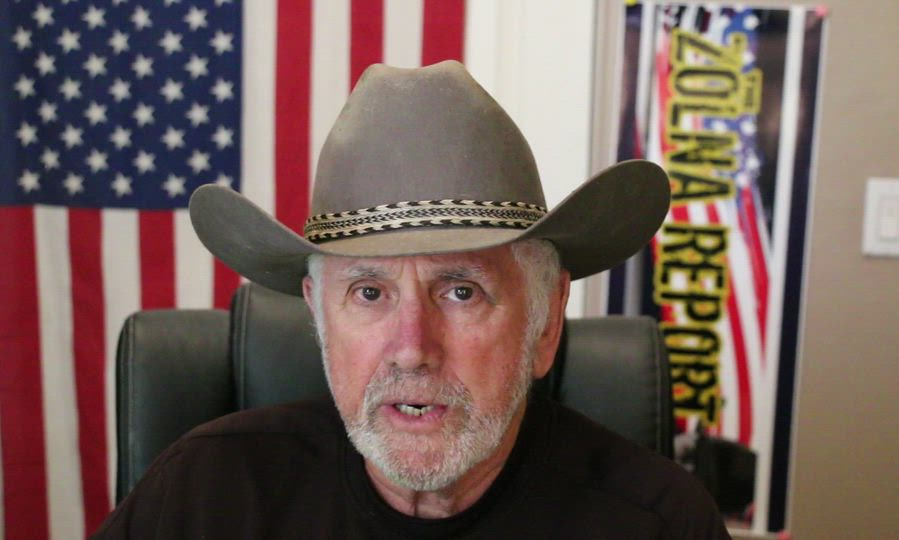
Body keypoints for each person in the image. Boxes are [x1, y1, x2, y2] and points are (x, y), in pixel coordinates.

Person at [92, 61, 730, 539]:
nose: (411, 348)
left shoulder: (661, 524)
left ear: (545, 324)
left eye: (461, 291)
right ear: (318, 316)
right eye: (369, 292)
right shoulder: (201, 496)